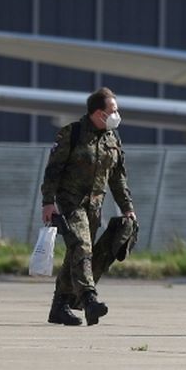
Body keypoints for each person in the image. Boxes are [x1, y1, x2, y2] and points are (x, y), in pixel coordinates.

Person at [40, 88, 135, 326]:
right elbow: (53, 171)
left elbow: (118, 178)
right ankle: (89, 300)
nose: (117, 115)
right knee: (82, 247)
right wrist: (48, 203)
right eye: (113, 110)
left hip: (95, 207)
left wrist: (127, 209)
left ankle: (59, 307)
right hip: (71, 203)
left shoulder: (112, 139)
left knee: (77, 254)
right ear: (99, 113)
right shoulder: (71, 134)